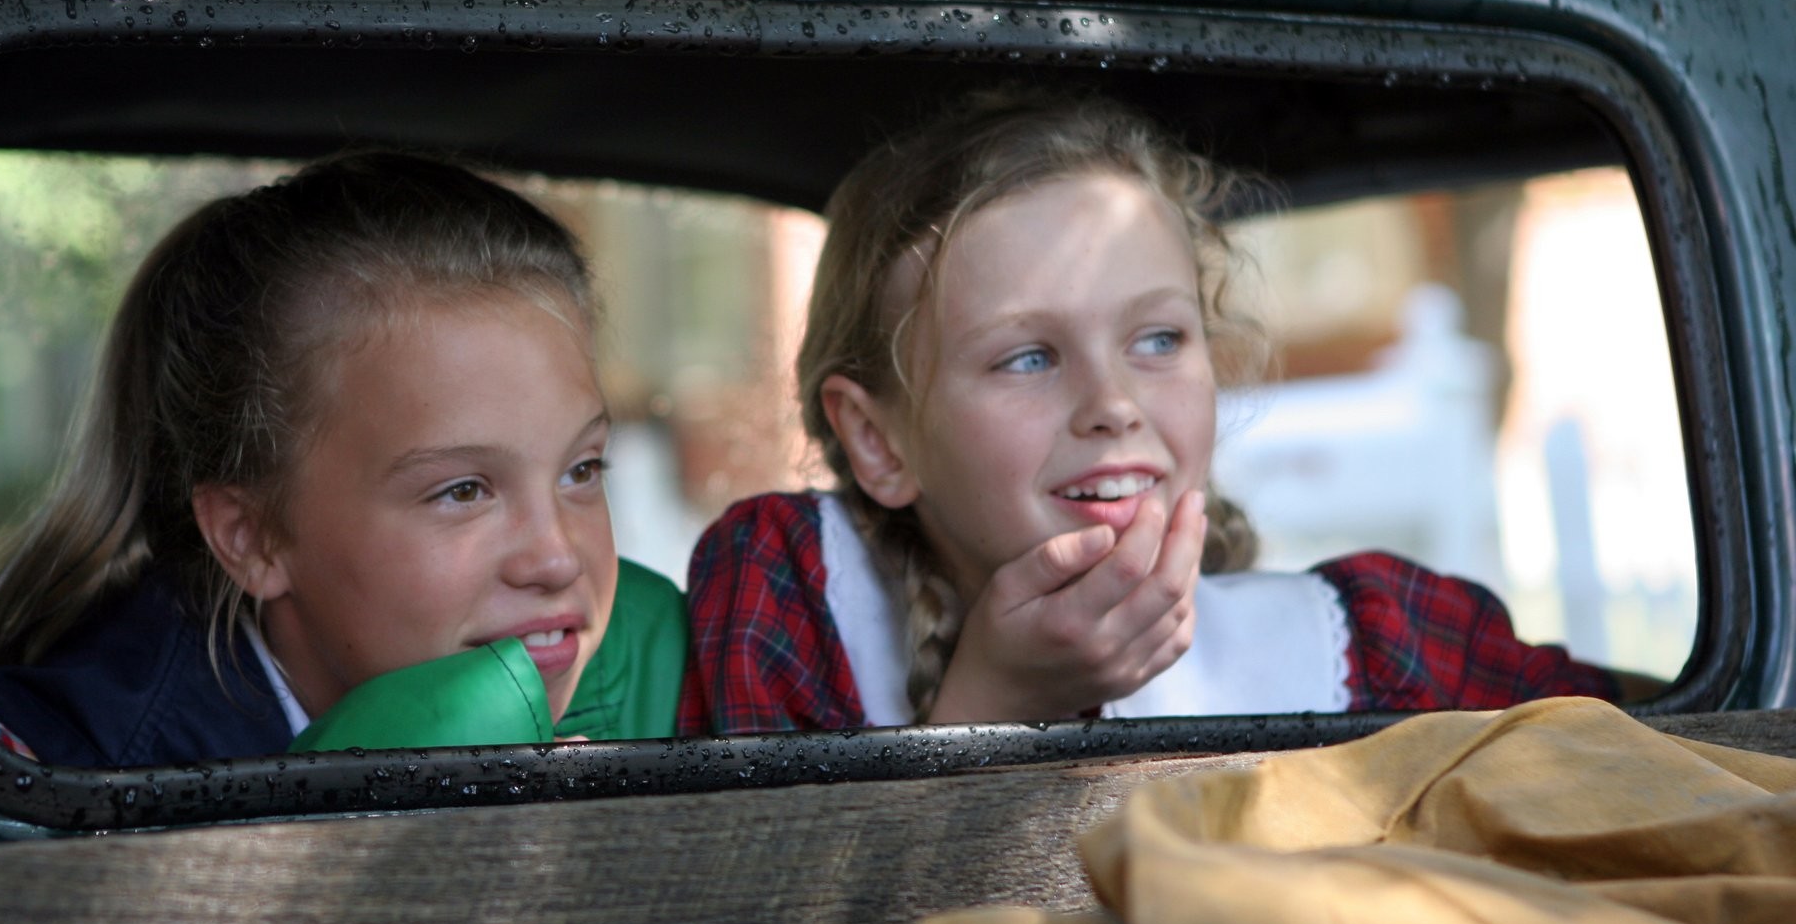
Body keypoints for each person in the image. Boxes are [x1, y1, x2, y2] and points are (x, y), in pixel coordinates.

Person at [678, 101, 1627, 734]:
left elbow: (1673, 766)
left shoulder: (1377, 645)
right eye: (1028, 356)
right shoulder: (794, 594)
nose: (1114, 405)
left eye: (1160, 340)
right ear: (878, 440)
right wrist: (1001, 699)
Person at [0, 151, 683, 767]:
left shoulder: (667, 664)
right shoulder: (59, 776)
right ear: (254, 536)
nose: (557, 559)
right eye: (463, 490)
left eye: (581, 469)